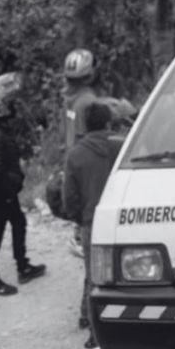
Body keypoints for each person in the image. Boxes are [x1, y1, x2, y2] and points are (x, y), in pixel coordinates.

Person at [0, 73, 46, 295]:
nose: (12, 107)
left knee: (18, 223)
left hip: (0, 191)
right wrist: (8, 189)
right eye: (8, 103)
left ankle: (23, 265)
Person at [63, 102, 124, 349]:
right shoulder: (122, 146)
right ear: (109, 122)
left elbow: (70, 199)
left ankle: (94, 333)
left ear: (85, 126)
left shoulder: (76, 154)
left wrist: (80, 219)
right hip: (122, 218)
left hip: (92, 221)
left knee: (94, 275)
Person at [61, 48, 99, 259]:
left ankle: (79, 235)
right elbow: (88, 137)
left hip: (72, 159)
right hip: (85, 164)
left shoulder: (69, 100)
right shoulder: (88, 101)